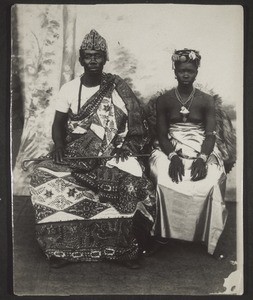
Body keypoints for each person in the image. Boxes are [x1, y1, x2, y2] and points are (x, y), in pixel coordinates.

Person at [29, 29, 156, 269]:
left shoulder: (117, 87)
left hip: (115, 150)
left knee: (130, 180)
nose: (93, 60)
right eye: (88, 56)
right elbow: (58, 124)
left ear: (106, 58)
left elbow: (136, 126)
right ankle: (60, 249)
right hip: (78, 150)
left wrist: (126, 146)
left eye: (98, 55)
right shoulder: (69, 89)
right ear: (80, 60)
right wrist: (58, 145)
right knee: (41, 175)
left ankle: (122, 250)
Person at [148, 49, 236, 257]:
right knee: (163, 178)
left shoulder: (206, 100)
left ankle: (206, 236)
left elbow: (211, 134)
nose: (185, 75)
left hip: (202, 146)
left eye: (190, 70)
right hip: (169, 146)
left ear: (196, 72)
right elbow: (161, 134)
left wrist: (203, 158)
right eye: (181, 71)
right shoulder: (165, 100)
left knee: (212, 179)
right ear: (175, 72)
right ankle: (162, 235)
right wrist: (172, 157)